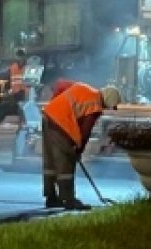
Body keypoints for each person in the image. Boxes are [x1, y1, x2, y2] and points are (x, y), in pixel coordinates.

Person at [40, 82, 122, 211]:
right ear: (108, 100)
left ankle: (51, 197)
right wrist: (79, 149)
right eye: (110, 106)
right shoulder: (95, 105)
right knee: (66, 161)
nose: (108, 108)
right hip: (60, 123)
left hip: (48, 115)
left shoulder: (87, 90)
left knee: (51, 161)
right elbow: (86, 130)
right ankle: (68, 199)